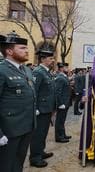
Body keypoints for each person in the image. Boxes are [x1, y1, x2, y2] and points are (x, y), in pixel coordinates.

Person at [0, 31, 36, 172]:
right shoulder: (2, 70)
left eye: (26, 48)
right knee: (5, 166)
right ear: (9, 51)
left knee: (18, 164)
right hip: (9, 130)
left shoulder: (26, 70)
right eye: (22, 48)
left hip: (26, 127)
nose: (27, 51)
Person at [29, 43, 55, 168]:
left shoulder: (46, 72)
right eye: (50, 58)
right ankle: (35, 157)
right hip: (40, 110)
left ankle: (40, 151)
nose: (52, 60)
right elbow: (34, 92)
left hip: (46, 109)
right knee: (38, 134)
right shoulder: (38, 72)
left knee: (43, 133)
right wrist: (35, 109)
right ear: (43, 59)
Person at [54, 63, 72, 143]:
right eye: (66, 67)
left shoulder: (64, 77)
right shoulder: (60, 78)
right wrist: (60, 103)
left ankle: (63, 134)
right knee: (59, 120)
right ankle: (59, 137)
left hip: (66, 102)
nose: (68, 68)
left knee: (62, 120)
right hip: (62, 103)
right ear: (61, 69)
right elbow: (57, 92)